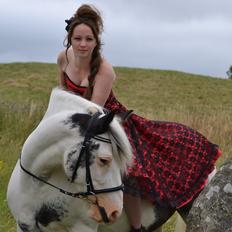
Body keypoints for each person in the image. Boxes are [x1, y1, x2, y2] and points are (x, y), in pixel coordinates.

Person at [57, 4, 221, 232]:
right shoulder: (63, 59)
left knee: (129, 169)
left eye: (89, 39)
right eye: (78, 38)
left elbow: (93, 111)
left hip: (107, 120)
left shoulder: (104, 70)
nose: (83, 44)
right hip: (78, 120)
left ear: (96, 42)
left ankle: (136, 227)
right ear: (70, 39)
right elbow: (64, 95)